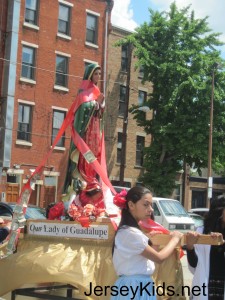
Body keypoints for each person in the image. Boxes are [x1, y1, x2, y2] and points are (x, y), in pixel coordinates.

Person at [111, 186, 183, 300]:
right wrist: (175, 239)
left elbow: (145, 260)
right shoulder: (130, 233)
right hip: (134, 287)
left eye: (151, 205)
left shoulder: (129, 231)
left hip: (137, 285)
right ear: (131, 205)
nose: (151, 209)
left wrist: (153, 243)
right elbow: (159, 258)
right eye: (146, 204)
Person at [63, 63, 106, 208]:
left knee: (94, 158)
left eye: (100, 74)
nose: (98, 77)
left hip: (95, 134)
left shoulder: (97, 92)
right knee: (84, 158)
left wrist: (100, 106)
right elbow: (81, 111)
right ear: (89, 75)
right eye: (96, 74)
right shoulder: (83, 94)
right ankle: (81, 184)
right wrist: (95, 104)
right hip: (84, 135)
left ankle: (92, 180)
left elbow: (99, 115)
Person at [186, 195, 225, 299]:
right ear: (220, 212)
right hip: (205, 288)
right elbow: (194, 266)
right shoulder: (201, 233)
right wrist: (190, 247)